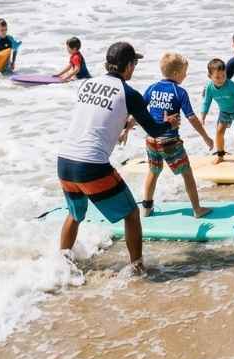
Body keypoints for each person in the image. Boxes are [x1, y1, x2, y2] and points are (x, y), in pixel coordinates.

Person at [57, 42, 179, 273]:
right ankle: (137, 268)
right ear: (129, 66)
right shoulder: (129, 94)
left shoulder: (86, 84)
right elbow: (154, 130)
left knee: (75, 214)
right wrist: (169, 123)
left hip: (64, 161)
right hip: (91, 166)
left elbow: (97, 117)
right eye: (135, 64)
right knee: (131, 214)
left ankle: (60, 267)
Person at [132, 53, 215, 218]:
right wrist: (205, 137)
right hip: (169, 141)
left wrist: (126, 128)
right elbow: (191, 117)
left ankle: (146, 209)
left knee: (153, 172)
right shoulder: (179, 92)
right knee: (187, 174)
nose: (186, 75)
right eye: (184, 72)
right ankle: (197, 209)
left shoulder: (152, 88)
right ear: (176, 73)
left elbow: (138, 110)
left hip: (151, 139)